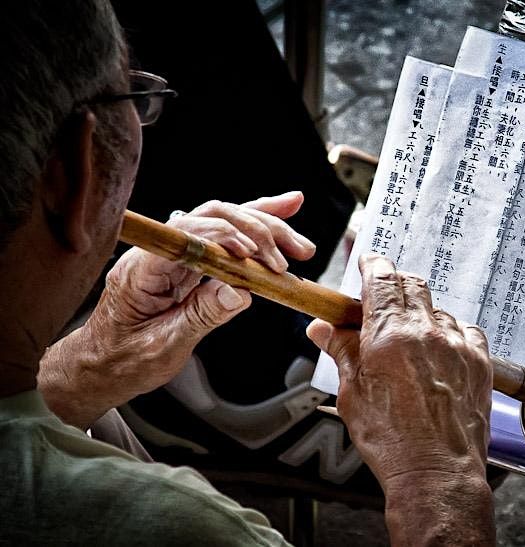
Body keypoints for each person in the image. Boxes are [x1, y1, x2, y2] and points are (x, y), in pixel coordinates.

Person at [0, 1, 495, 545]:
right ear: (74, 173)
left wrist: (88, 366)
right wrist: (437, 481)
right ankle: (243, 391)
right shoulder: (190, 529)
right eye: (135, 97)